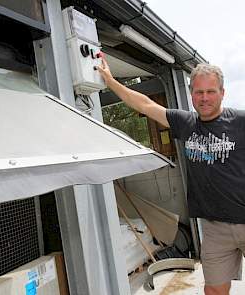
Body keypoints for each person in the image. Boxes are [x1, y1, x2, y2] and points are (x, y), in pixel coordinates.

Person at [97, 59, 245, 295]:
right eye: (199, 92)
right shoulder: (186, 123)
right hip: (215, 228)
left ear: (222, 93)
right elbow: (145, 105)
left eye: (210, 91)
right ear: (191, 94)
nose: (204, 97)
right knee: (215, 290)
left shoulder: (240, 121)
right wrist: (111, 82)